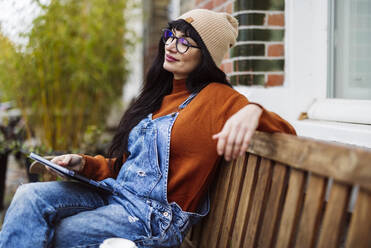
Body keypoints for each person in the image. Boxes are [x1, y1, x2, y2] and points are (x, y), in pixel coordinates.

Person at [0, 9, 296, 248]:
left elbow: (287, 133)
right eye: (171, 35)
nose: (170, 46)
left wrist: (252, 111)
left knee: (63, 232)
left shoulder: (218, 98)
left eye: (185, 42)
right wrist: (83, 163)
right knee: (29, 196)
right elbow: (127, 168)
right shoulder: (158, 97)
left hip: (150, 218)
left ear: (206, 54)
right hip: (114, 194)